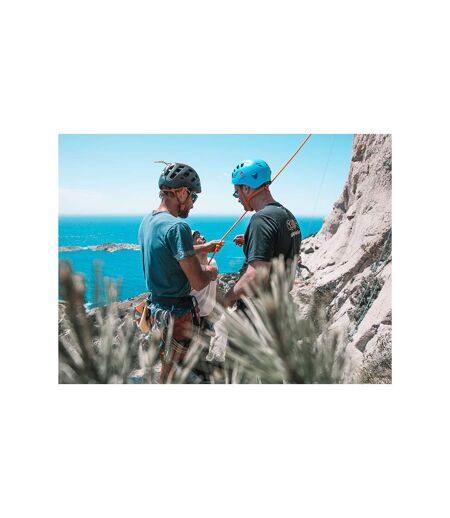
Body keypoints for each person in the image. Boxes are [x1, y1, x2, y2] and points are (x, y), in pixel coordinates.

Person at [138, 162, 223, 383]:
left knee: (167, 373)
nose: (193, 205)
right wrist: (211, 272)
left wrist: (203, 248)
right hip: (178, 317)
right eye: (193, 198)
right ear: (182, 192)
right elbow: (197, 281)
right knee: (181, 376)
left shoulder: (147, 221)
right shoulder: (178, 227)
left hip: (157, 310)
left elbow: (167, 250)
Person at [223, 159, 302, 308]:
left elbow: (255, 276)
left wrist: (227, 298)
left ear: (246, 188)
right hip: (281, 306)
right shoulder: (287, 215)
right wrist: (251, 241)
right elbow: (281, 248)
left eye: (236, 192)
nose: (238, 198)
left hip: (259, 312)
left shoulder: (261, 219)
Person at [190, 230, 218, 330]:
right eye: (196, 236)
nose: (202, 236)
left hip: (209, 315)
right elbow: (213, 275)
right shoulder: (190, 268)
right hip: (192, 318)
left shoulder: (213, 262)